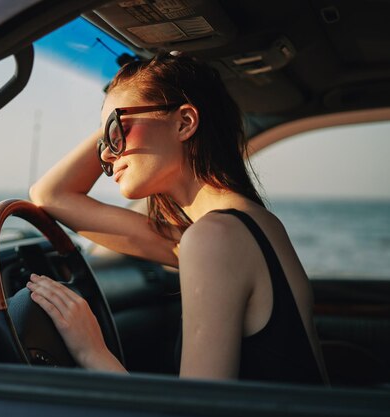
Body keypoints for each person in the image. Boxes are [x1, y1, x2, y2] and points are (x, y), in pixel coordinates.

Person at [28, 53, 328, 384]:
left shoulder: (215, 237)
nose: (108, 155)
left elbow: (193, 409)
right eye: (103, 141)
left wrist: (91, 351)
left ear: (185, 122)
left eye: (117, 130)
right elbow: (50, 195)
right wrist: (114, 117)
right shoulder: (247, 224)